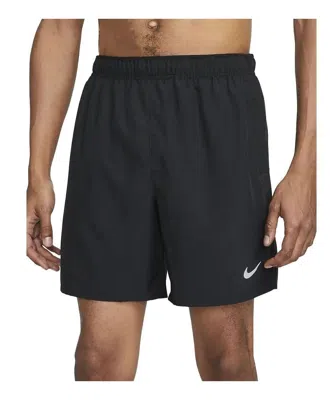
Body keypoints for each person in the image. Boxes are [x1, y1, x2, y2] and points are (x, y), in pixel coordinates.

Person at [26, 19, 316, 381]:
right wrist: (38, 172)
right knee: (98, 361)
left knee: (227, 357)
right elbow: (59, 24)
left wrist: (306, 165)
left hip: (215, 105)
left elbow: (308, 21)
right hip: (113, 106)